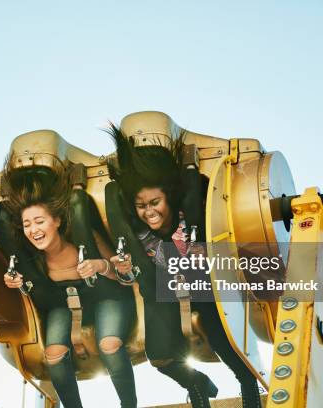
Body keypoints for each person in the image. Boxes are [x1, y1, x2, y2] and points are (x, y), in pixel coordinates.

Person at [107, 124, 262, 408]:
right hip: (159, 280)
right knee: (160, 356)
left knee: (219, 334)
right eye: (141, 205)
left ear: (168, 198)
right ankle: (196, 383)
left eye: (155, 202)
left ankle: (247, 382)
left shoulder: (187, 214)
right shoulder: (136, 230)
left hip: (199, 274)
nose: (149, 211)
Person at [0, 156, 137, 408]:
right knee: (53, 355)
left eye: (39, 221)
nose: (33, 230)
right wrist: (17, 283)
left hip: (105, 297)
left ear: (57, 221)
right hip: (63, 305)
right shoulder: (34, 261)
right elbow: (36, 294)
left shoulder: (86, 239)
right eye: (27, 224)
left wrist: (100, 265)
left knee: (109, 344)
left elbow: (123, 278)